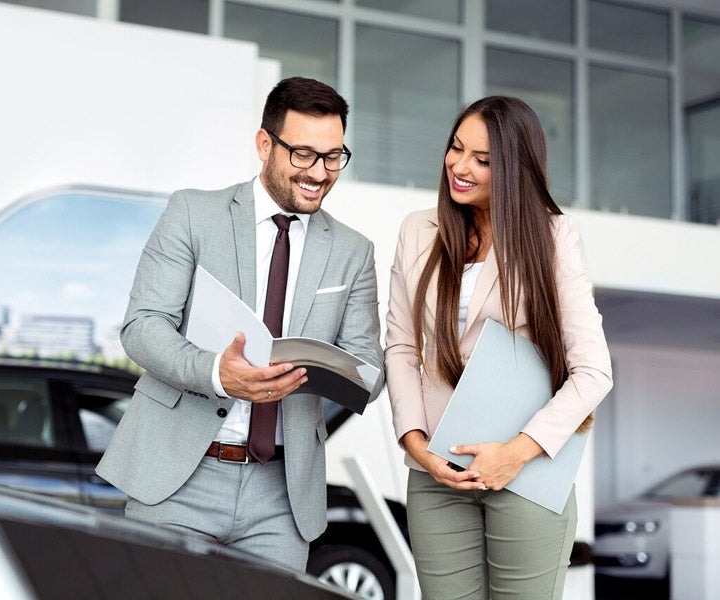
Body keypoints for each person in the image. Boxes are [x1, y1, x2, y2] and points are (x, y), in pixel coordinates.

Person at [96, 76, 384, 572]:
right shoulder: (193, 213)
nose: (319, 173)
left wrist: (334, 374)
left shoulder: (354, 252)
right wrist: (217, 373)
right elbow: (143, 326)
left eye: (333, 156)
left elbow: (369, 371)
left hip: (282, 495)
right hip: (178, 476)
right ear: (264, 144)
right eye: (304, 154)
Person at [385, 96, 613, 599]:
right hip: (438, 473)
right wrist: (415, 444)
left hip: (526, 471)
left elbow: (594, 371)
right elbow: (401, 347)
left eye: (482, 160)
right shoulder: (417, 230)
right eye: (456, 148)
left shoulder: (553, 235)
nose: (459, 166)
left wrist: (515, 454)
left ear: (515, 168)